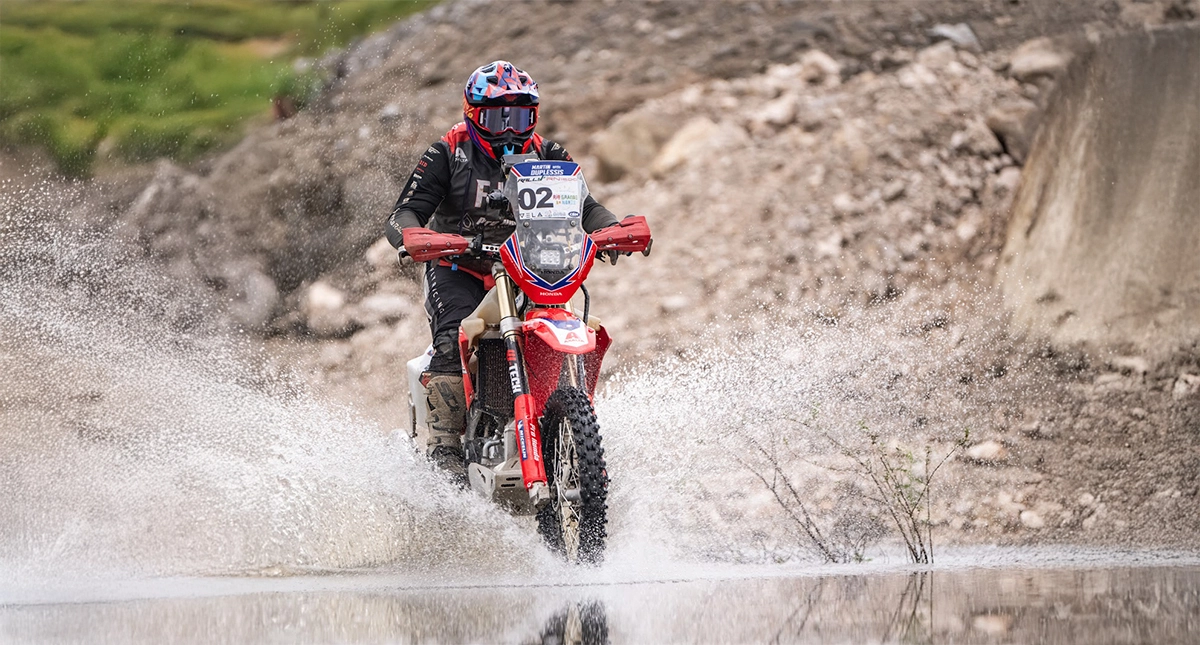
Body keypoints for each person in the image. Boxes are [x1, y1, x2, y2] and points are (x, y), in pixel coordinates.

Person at [385, 61, 620, 471]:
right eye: (497, 117)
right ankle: (446, 452)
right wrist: (413, 236)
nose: (510, 131)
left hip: (525, 267)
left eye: (520, 117)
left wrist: (613, 230)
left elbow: (586, 207)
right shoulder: (448, 152)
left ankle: (561, 422)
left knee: (563, 320)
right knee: (452, 336)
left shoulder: (549, 155)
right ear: (473, 115)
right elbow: (404, 213)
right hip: (458, 266)